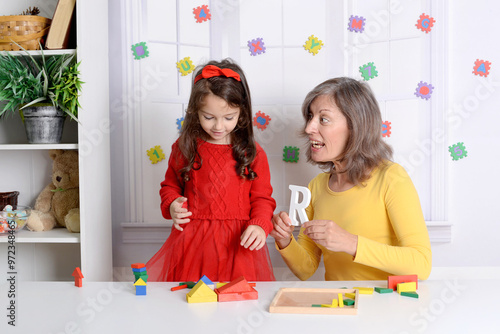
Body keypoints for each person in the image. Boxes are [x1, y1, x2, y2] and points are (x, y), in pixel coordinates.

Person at [270, 77, 432, 281]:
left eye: (323, 119)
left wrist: (351, 243)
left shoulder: (391, 177)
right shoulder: (317, 186)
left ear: (355, 127)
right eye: (311, 117)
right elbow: (306, 268)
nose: (309, 128)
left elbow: (422, 264)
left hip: (386, 307)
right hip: (340, 306)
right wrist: (285, 240)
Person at [147, 59, 276, 282]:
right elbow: (170, 186)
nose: (218, 126)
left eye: (229, 118)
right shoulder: (185, 147)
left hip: (238, 244)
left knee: (237, 303)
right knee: (192, 300)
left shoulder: (252, 153)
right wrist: (173, 204)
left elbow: (263, 198)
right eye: (209, 117)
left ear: (242, 113)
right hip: (193, 242)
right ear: (195, 111)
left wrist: (260, 224)